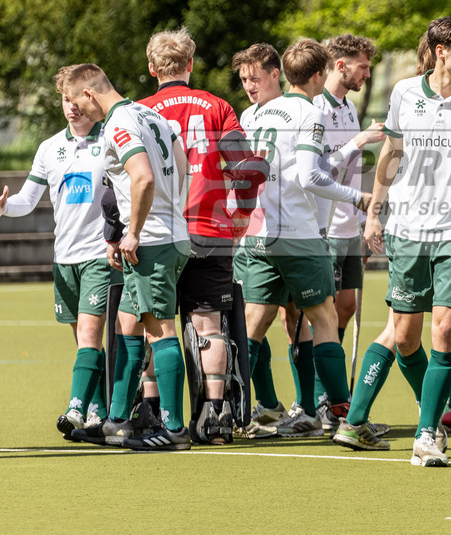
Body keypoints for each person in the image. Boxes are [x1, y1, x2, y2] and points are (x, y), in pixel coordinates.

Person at [347, 16, 451, 467]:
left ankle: (426, 434)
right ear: (441, 51)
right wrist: (374, 214)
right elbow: (391, 153)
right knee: (405, 336)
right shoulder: (404, 92)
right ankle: (439, 418)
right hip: (407, 231)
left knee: (445, 329)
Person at [240, 38, 371, 440]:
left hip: (258, 234)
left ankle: (228, 411)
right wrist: (357, 197)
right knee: (325, 320)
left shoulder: (252, 114)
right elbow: (310, 175)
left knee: (252, 327)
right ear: (318, 74)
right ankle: (346, 418)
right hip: (298, 233)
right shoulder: (309, 112)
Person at [137, 28, 260, 444]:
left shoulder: (138, 112)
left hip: (157, 234)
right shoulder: (218, 106)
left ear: (152, 68)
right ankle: (216, 415)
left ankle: (152, 410)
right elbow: (247, 168)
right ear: (190, 64)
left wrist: (118, 232)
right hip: (210, 229)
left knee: (156, 326)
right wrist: (241, 214)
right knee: (209, 325)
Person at [64, 63, 193, 451]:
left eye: (76, 102)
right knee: (127, 324)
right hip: (170, 233)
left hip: (151, 241)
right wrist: (170, 212)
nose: (78, 111)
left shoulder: (119, 122)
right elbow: (182, 165)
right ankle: (118, 421)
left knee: (160, 330)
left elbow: (143, 177)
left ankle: (174, 429)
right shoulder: (150, 113)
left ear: (89, 93)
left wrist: (133, 231)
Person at [0, 66, 120, 439]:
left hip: (99, 254)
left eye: (77, 98)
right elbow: (27, 200)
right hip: (64, 258)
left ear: (90, 97)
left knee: (89, 333)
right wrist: (4, 207)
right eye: (65, 99)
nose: (71, 106)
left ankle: (76, 408)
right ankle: (98, 411)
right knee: (85, 341)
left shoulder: (112, 138)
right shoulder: (49, 148)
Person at [311, 34, 386, 429]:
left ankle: (330, 398)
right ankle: (316, 401)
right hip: (322, 228)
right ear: (340, 66)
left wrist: (363, 225)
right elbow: (318, 169)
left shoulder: (349, 107)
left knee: (346, 308)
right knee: (318, 315)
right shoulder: (316, 107)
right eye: (362, 67)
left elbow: (353, 171)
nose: (367, 74)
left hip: (349, 227)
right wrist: (359, 140)